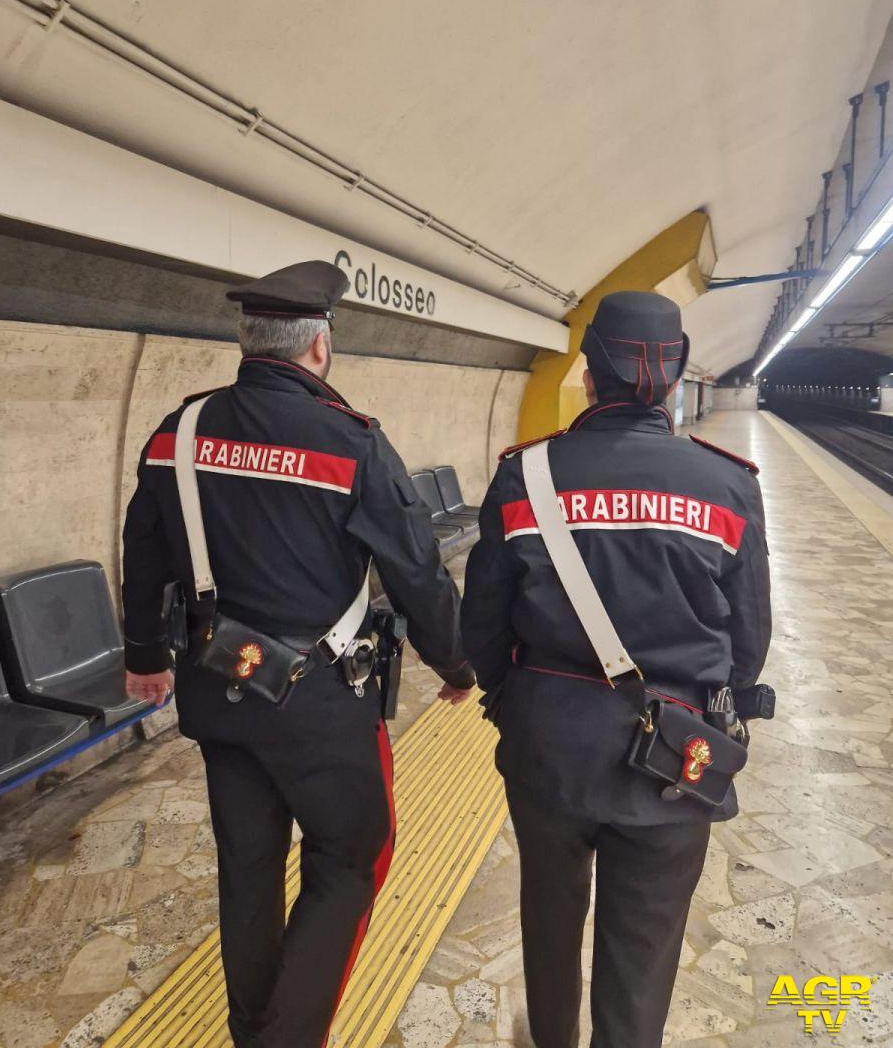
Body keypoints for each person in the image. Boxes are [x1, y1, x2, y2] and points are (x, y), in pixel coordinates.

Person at [122, 259, 475, 1048]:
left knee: (246, 871)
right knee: (349, 862)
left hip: (217, 690)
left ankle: (255, 1031)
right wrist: (454, 665)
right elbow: (414, 571)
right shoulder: (353, 443)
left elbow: (142, 551)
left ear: (248, 341)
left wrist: (145, 652)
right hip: (321, 706)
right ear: (320, 347)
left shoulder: (176, 433)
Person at [461, 290, 771, 1048]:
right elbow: (749, 639)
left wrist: (514, 701)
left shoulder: (525, 477)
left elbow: (483, 620)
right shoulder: (728, 486)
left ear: (587, 376)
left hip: (549, 749)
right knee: (644, 953)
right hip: (674, 757)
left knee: (549, 918)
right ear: (675, 380)